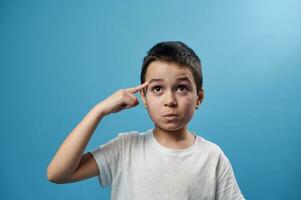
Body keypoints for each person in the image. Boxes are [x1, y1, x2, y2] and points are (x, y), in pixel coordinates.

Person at [47, 41, 245, 200]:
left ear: (199, 98)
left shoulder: (212, 157)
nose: (170, 101)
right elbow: (57, 174)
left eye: (181, 88)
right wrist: (98, 111)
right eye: (158, 89)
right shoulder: (126, 148)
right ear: (144, 97)